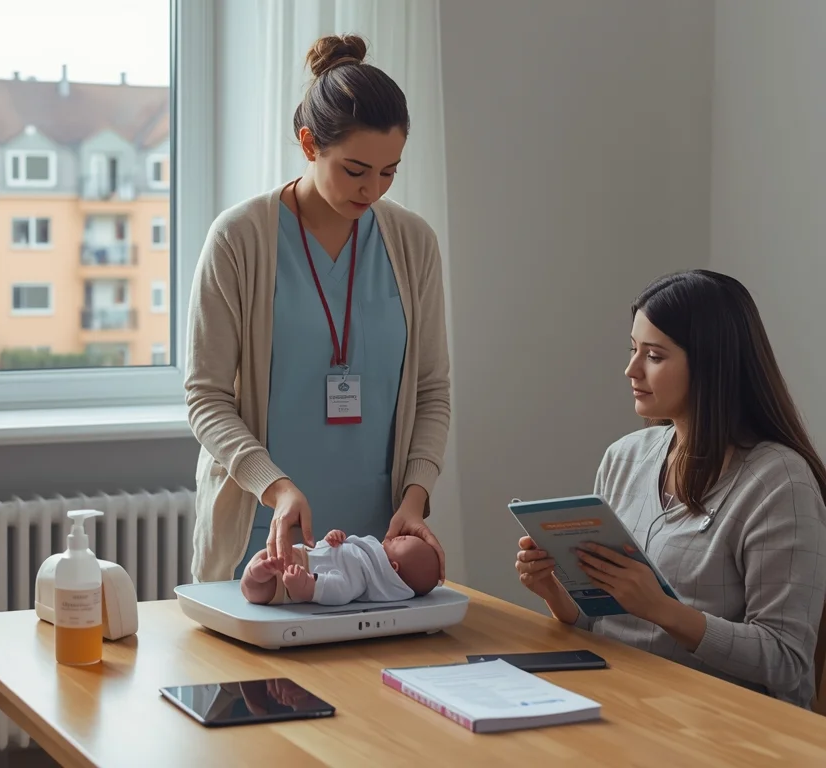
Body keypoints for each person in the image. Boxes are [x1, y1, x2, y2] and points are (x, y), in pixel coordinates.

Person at [185, 33, 451, 585]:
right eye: (355, 170)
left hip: (379, 551)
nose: (372, 189)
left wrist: (417, 494)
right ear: (309, 144)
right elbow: (206, 398)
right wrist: (275, 488)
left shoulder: (413, 242)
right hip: (263, 539)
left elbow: (431, 392)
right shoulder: (239, 239)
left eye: (389, 171)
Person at [515, 269, 826, 709]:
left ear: (711, 364)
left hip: (722, 723)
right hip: (622, 698)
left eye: (655, 356)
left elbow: (787, 660)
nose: (630, 369)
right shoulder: (624, 458)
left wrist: (663, 609)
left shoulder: (780, 483)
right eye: (632, 349)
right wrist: (554, 591)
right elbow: (603, 626)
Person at [240, 529, 440, 605]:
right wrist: (332, 539)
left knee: (257, 589)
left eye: (403, 541)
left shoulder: (363, 578)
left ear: (393, 567)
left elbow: (339, 590)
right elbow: (333, 552)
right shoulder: (366, 553)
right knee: (263, 559)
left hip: (291, 584)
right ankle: (258, 569)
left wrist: (308, 585)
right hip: (299, 554)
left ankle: (256, 575)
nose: (401, 535)